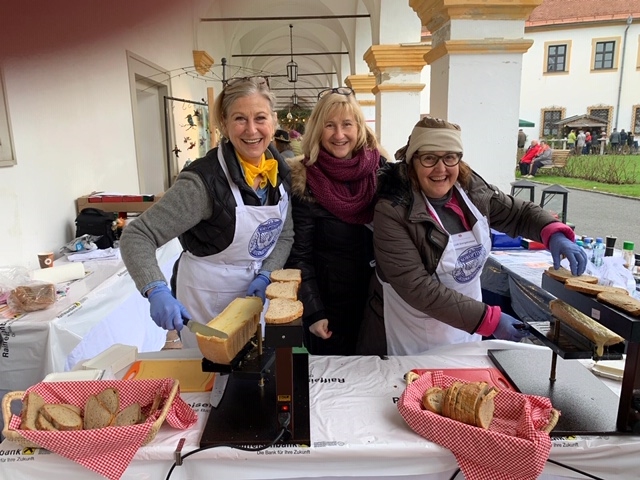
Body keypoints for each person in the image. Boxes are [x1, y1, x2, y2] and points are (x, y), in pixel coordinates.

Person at [357, 116, 587, 356]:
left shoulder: (471, 190)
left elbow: (518, 213)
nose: (441, 168)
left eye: (450, 157)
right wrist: (489, 319)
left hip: (465, 324)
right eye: (429, 158)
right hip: (413, 328)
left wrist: (551, 232)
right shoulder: (393, 208)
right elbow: (415, 286)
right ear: (412, 161)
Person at [120, 77, 294, 348]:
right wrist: (155, 288)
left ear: (273, 121)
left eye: (260, 118)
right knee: (209, 380)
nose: (251, 130)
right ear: (223, 124)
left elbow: (285, 234)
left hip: (256, 296)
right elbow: (137, 235)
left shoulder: (280, 172)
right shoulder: (202, 182)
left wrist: (267, 273)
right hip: (206, 300)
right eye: (239, 119)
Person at [285, 86, 387, 355]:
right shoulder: (304, 181)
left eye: (347, 124)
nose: (339, 134)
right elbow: (299, 256)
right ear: (318, 129)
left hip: (382, 302)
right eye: (330, 125)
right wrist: (314, 310)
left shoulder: (382, 173)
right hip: (331, 311)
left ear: (359, 128)